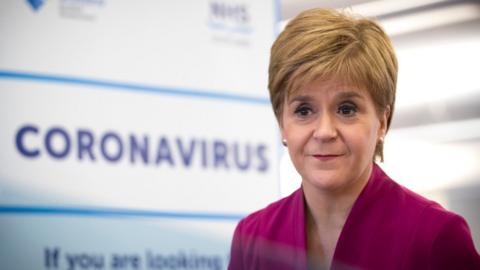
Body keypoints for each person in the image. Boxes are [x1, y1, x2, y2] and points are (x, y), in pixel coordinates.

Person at [228, 8, 480, 270]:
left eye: (346, 109)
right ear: (282, 123)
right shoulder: (253, 238)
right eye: (304, 111)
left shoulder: (435, 236)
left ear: (382, 121)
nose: (325, 131)